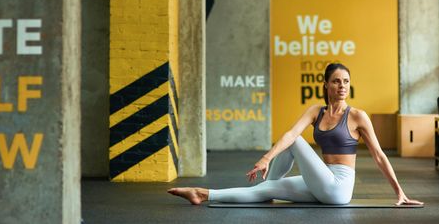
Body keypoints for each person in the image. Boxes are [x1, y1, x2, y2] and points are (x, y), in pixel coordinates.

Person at [168, 63, 423, 206]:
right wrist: (268, 158)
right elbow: (290, 133)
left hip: (339, 188)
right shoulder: (316, 110)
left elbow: (379, 155)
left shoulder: (357, 116)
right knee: (265, 192)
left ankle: (269, 178)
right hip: (321, 180)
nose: (342, 86)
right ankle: (203, 193)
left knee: (295, 142)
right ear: (325, 84)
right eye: (336, 81)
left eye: (346, 81)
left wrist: (399, 192)